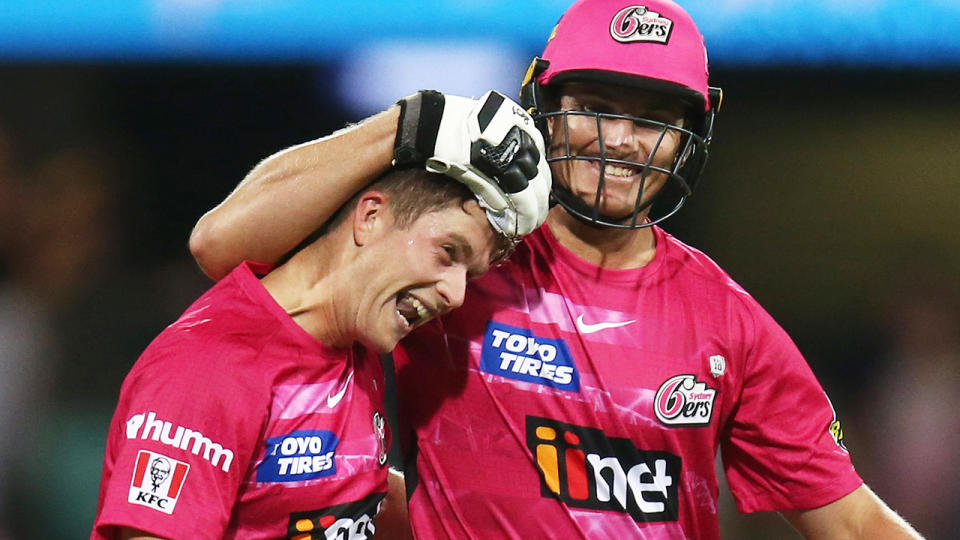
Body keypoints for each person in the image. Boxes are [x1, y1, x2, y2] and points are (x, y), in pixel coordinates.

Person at [188, 0, 924, 538]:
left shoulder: (729, 323)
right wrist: (409, 124)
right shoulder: (454, 256)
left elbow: (853, 523)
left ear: (689, 137)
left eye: (653, 118)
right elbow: (221, 244)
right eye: (598, 108)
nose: (623, 142)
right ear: (545, 105)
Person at [92, 89, 552, 540]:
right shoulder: (210, 370)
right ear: (370, 217)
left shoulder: (355, 350)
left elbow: (346, 506)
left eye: (469, 275)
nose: (455, 295)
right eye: (448, 252)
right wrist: (416, 122)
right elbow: (212, 241)